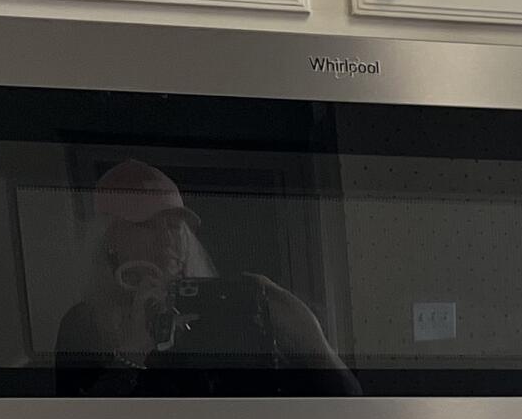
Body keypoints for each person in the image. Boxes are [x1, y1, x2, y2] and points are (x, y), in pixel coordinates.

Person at [52, 158, 358, 394]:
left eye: (173, 225)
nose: (166, 239)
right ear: (110, 238)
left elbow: (345, 395)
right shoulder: (83, 326)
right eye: (146, 224)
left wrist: (310, 339)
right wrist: (134, 352)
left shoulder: (233, 302)